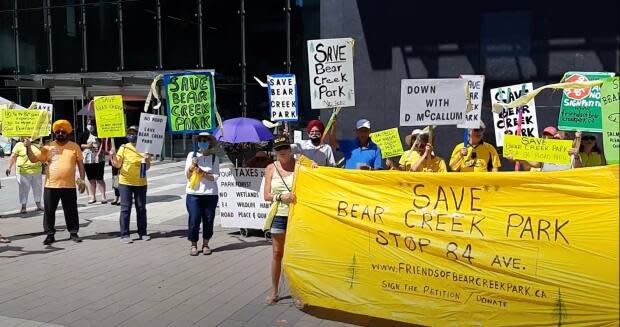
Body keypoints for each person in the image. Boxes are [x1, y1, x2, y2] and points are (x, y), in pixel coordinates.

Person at [24, 120, 86, 245]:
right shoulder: (48, 147)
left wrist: (81, 181)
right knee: (49, 211)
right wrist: (28, 146)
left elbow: (80, 165)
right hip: (51, 186)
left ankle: (73, 233)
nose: (60, 134)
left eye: (63, 132)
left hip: (69, 186)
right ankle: (49, 235)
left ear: (68, 133)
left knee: (71, 210)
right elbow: (33, 159)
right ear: (54, 133)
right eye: (57, 132)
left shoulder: (75, 147)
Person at [263, 134, 296, 305]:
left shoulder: (300, 166)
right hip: (278, 215)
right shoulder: (270, 168)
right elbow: (266, 196)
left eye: (284, 147)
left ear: (290, 149)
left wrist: (313, 165)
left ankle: (299, 292)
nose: (282, 151)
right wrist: (282, 197)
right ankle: (275, 291)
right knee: (277, 253)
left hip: (297, 216)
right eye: (278, 148)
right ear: (275, 151)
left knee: (294, 255)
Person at [110, 126, 151, 243]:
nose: (132, 135)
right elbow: (117, 165)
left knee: (141, 208)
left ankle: (143, 232)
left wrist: (147, 158)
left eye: (134, 133)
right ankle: (125, 234)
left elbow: (147, 167)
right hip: (125, 182)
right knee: (125, 208)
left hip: (141, 183)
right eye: (130, 133)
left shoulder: (145, 148)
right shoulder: (123, 147)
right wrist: (113, 155)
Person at [185, 132, 220, 256]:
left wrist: (203, 173)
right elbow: (187, 176)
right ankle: (193, 244)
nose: (203, 142)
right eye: (200, 140)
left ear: (209, 142)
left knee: (209, 219)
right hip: (193, 193)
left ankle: (205, 244)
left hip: (210, 194)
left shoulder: (215, 158)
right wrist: (192, 166)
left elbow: (215, 177)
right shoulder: (192, 155)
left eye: (205, 140)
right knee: (194, 219)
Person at [6, 138, 44, 213]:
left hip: (37, 171)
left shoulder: (38, 145)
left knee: (38, 189)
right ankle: (23, 207)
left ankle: (38, 204)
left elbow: (43, 156)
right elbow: (13, 157)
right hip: (23, 172)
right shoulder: (19, 145)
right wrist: (9, 167)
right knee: (23, 190)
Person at [78, 119, 108, 204]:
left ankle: (103, 196)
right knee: (91, 178)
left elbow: (105, 144)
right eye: (88, 124)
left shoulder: (100, 134)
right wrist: (87, 146)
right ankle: (92, 196)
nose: (90, 126)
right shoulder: (83, 134)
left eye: (92, 124)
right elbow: (78, 144)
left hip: (99, 158)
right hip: (87, 159)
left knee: (99, 178)